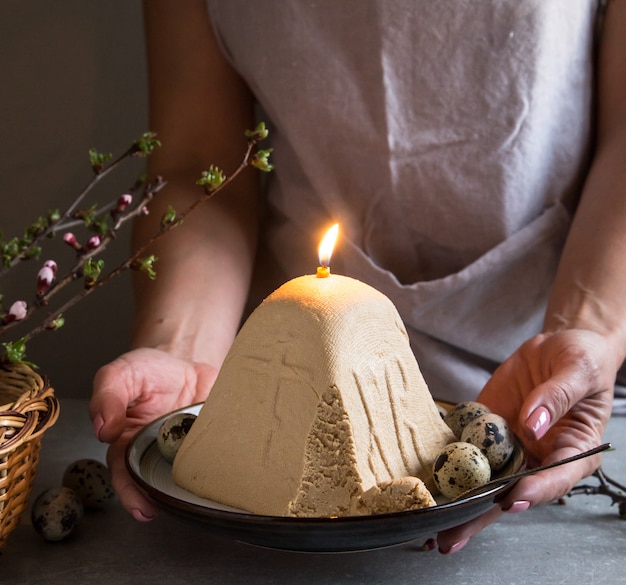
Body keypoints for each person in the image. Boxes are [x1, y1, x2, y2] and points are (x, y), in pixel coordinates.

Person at [90, 0, 626, 554]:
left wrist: (588, 332)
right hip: (274, 405)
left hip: (529, 372)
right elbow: (200, 162)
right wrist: (182, 349)